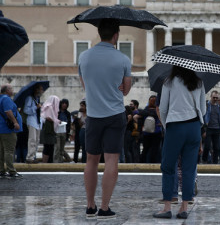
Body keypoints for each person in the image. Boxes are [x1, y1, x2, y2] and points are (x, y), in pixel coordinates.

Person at [78, 19, 132, 219]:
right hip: (115, 114)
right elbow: (125, 90)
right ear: (116, 35)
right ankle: (104, 207)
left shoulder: (84, 56)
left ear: (100, 33)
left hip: (93, 115)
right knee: (111, 160)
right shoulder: (123, 59)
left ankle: (90, 205)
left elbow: (85, 84)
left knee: (91, 160)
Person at [154, 65, 205, 220]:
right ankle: (184, 208)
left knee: (169, 167)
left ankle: (167, 207)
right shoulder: (199, 82)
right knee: (189, 168)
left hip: (175, 126)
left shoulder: (169, 82)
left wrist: (166, 125)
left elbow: (163, 108)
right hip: (194, 126)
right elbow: (203, 109)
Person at [0, 84, 23, 179]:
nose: (13, 91)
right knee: (9, 150)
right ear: (6, 90)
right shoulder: (6, 99)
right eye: (11, 89)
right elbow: (8, 111)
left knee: (1, 150)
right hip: (7, 129)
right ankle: (11, 171)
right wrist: (15, 122)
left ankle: (1, 171)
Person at [135, 95, 163, 163]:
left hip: (146, 132)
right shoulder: (158, 111)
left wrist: (140, 125)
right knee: (155, 149)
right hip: (156, 132)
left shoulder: (145, 111)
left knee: (145, 149)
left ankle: (142, 162)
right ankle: (154, 163)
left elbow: (135, 117)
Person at [203, 90, 220, 164]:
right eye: (214, 97)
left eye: (217, 98)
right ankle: (204, 159)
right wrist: (203, 129)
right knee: (207, 146)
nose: (215, 99)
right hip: (208, 128)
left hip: (216, 129)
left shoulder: (219, 107)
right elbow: (203, 117)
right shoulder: (207, 105)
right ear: (211, 97)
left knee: (216, 147)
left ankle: (215, 162)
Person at [24, 83, 44, 164]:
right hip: (32, 121)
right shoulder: (30, 98)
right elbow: (26, 110)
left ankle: (33, 156)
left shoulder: (37, 99)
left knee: (37, 140)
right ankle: (29, 157)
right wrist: (36, 107)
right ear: (36, 90)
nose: (42, 91)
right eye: (41, 89)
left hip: (37, 122)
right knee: (32, 139)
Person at [40, 95, 61, 163]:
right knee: (48, 146)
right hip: (48, 129)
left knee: (49, 146)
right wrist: (58, 121)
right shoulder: (49, 107)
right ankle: (45, 163)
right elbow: (51, 118)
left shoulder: (46, 106)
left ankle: (48, 161)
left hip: (48, 129)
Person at [54, 99, 71, 163]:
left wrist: (68, 132)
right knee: (57, 147)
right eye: (63, 103)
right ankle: (56, 161)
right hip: (57, 131)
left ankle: (60, 160)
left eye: (65, 103)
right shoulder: (57, 112)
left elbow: (69, 124)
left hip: (64, 131)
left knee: (61, 148)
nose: (64, 105)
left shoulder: (68, 113)